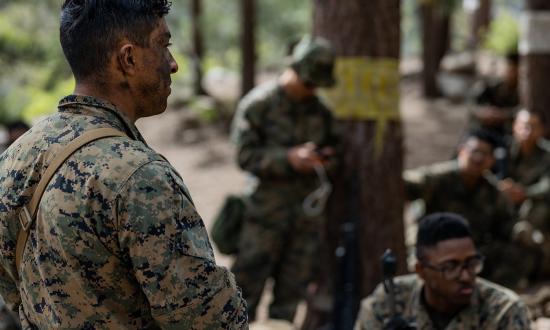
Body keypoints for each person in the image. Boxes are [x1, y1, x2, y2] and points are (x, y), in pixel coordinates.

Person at [0, 1, 247, 328]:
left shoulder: (15, 157)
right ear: (128, 59)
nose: (172, 64)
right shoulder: (140, 175)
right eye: (164, 45)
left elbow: (12, 290)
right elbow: (209, 320)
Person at [230, 35, 338, 322]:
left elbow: (337, 154)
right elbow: (244, 156)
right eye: (308, 82)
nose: (312, 89)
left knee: (289, 299)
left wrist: (323, 159)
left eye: (317, 84)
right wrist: (287, 159)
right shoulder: (259, 105)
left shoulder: (321, 112)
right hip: (264, 217)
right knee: (243, 295)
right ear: (294, 70)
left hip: (304, 220)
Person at [354, 212, 532, 330]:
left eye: (471, 263)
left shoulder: (504, 310)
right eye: (450, 267)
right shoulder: (388, 302)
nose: (465, 276)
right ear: (421, 271)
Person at [403, 129, 529, 288]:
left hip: (470, 253)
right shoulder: (439, 178)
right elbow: (407, 184)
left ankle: (489, 295)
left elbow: (507, 223)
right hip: (431, 248)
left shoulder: (492, 191)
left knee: (513, 252)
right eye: (475, 151)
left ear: (492, 161)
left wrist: (520, 230)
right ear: (461, 151)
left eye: (485, 154)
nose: (478, 158)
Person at [498, 109, 550, 281]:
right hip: (504, 206)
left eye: (533, 127)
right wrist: (502, 188)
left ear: (542, 130)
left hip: (535, 209)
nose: (527, 131)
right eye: (523, 126)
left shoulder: (547, 154)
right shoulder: (503, 151)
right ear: (514, 127)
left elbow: (547, 186)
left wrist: (525, 193)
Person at [471, 53, 520, 136]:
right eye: (509, 69)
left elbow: (524, 110)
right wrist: (483, 112)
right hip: (485, 130)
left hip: (510, 133)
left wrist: (503, 115)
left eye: (513, 70)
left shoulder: (522, 90)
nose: (510, 73)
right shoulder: (489, 85)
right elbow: (472, 105)